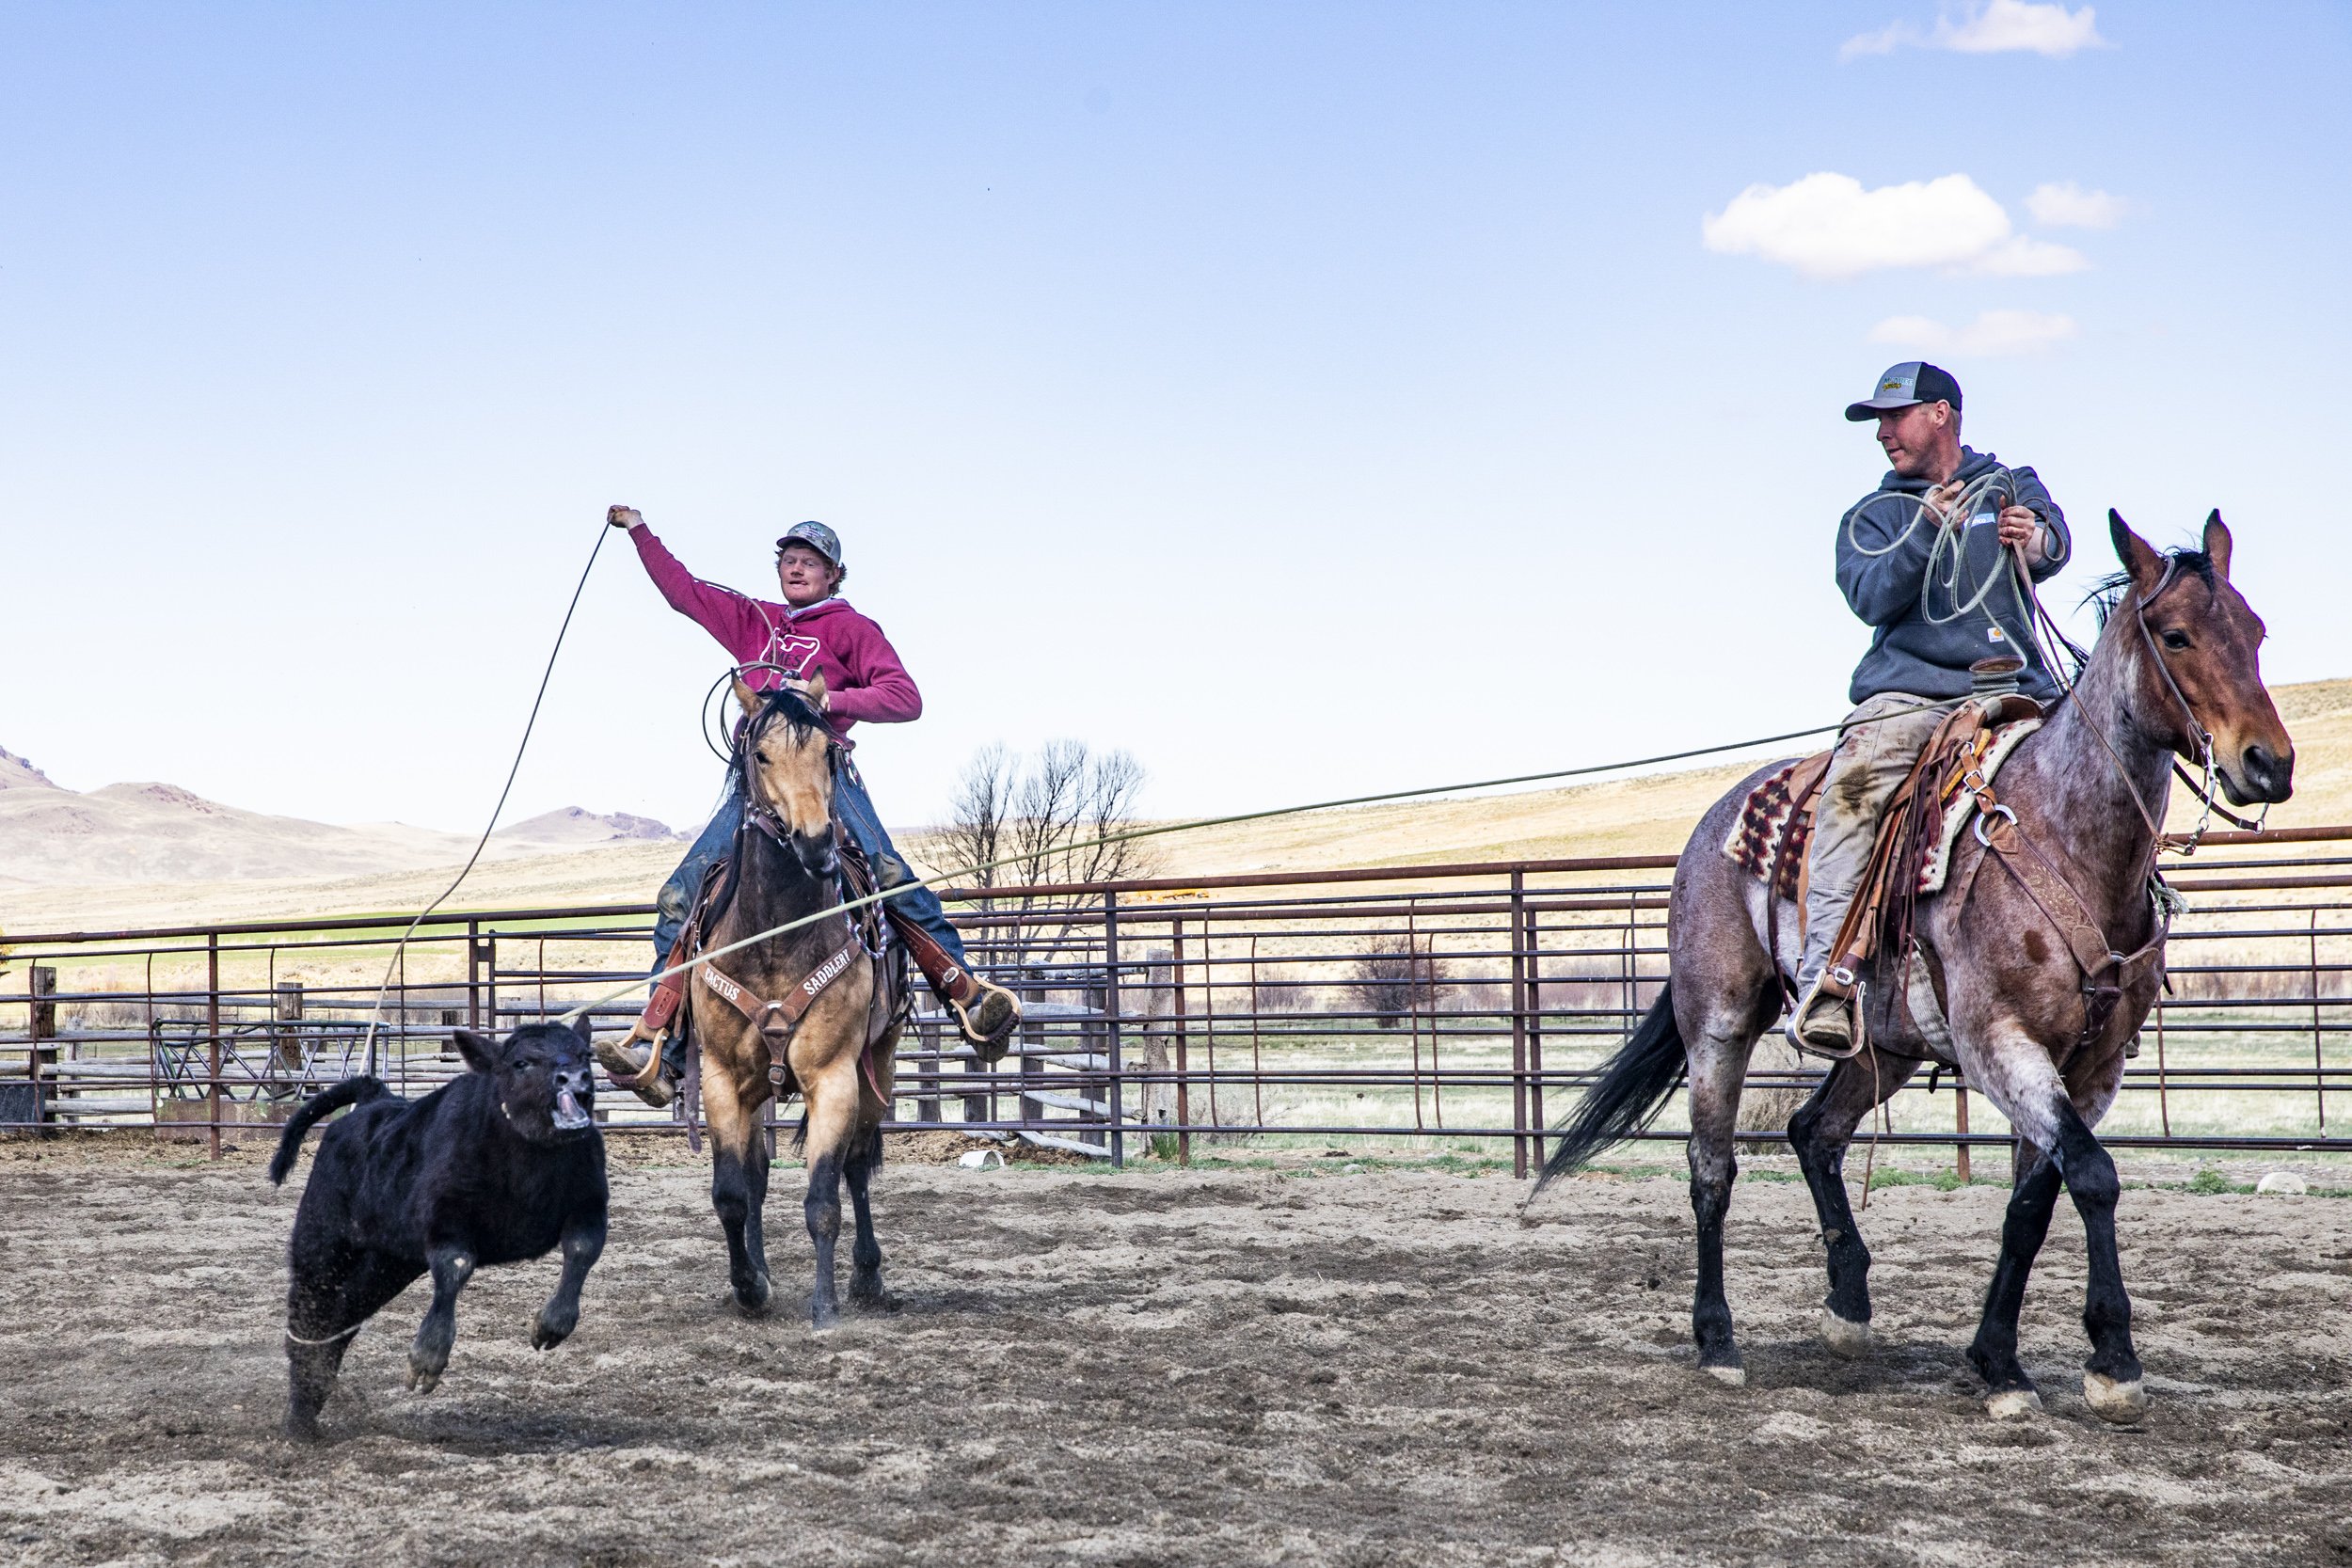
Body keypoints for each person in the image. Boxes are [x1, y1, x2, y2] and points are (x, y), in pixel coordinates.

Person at [596, 505, 1020, 1104]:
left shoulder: (853, 629)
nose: (796, 569)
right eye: (788, 560)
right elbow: (683, 592)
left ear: (833, 574)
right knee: (679, 893)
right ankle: (658, 1037)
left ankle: (967, 996)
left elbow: (905, 698)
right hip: (756, 785)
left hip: (826, 776)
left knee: (888, 875)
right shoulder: (753, 620)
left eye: (810, 562)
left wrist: (832, 701)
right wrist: (640, 531)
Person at [1788, 362, 2071, 1054]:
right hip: (1907, 697)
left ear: (1940, 414)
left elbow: (2057, 542)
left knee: (2103, 762)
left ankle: (2124, 956)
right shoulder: (1873, 516)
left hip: (2018, 688)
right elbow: (1871, 597)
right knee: (1853, 797)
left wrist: (2036, 539)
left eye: (1895, 415)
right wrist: (1923, 529)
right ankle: (1827, 980)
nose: (1883, 433)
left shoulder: (2009, 482)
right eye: (1878, 421)